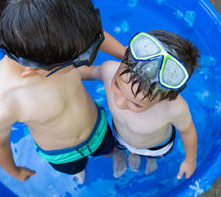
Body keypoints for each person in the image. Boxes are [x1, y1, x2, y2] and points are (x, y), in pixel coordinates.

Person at [0, 0, 125, 184]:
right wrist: (14, 170)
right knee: (73, 167)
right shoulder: (2, 103)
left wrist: (126, 56)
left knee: (108, 148)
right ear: (33, 70)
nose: (84, 59)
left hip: (97, 126)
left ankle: (112, 153)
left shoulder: (62, 46)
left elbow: (93, 35)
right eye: (80, 59)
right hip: (62, 152)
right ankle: (78, 169)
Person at [78, 30, 199, 178]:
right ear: (123, 59)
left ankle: (150, 158)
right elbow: (83, 72)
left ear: (165, 99)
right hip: (120, 136)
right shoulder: (109, 70)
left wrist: (190, 160)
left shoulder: (174, 108)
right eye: (116, 85)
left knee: (153, 155)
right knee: (119, 146)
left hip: (155, 147)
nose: (119, 102)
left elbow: (188, 131)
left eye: (136, 104)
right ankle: (123, 153)